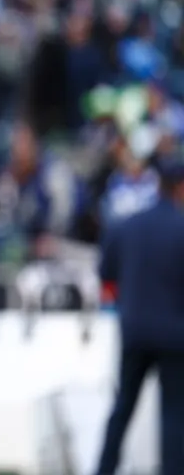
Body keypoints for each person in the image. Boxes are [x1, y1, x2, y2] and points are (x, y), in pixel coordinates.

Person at [95, 157, 184, 475]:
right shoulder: (180, 227)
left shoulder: (128, 225)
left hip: (133, 329)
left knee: (122, 407)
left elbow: (105, 271)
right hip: (175, 334)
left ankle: (104, 469)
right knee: (174, 413)